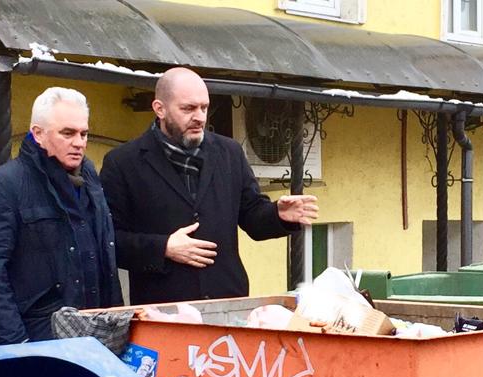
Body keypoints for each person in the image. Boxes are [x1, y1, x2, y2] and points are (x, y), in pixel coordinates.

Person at [100, 67, 319, 305]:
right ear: (159, 109)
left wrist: (278, 214)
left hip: (227, 302)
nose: (200, 117)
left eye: (204, 107)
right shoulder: (124, 162)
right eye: (188, 108)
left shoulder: (229, 153)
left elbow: (252, 217)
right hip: (163, 311)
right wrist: (162, 247)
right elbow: (110, 241)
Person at [0, 87, 123, 345]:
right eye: (67, 133)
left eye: (84, 134)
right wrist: (17, 345)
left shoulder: (89, 179)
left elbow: (103, 255)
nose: (79, 142)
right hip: (37, 339)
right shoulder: (2, 185)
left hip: (98, 337)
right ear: (38, 134)